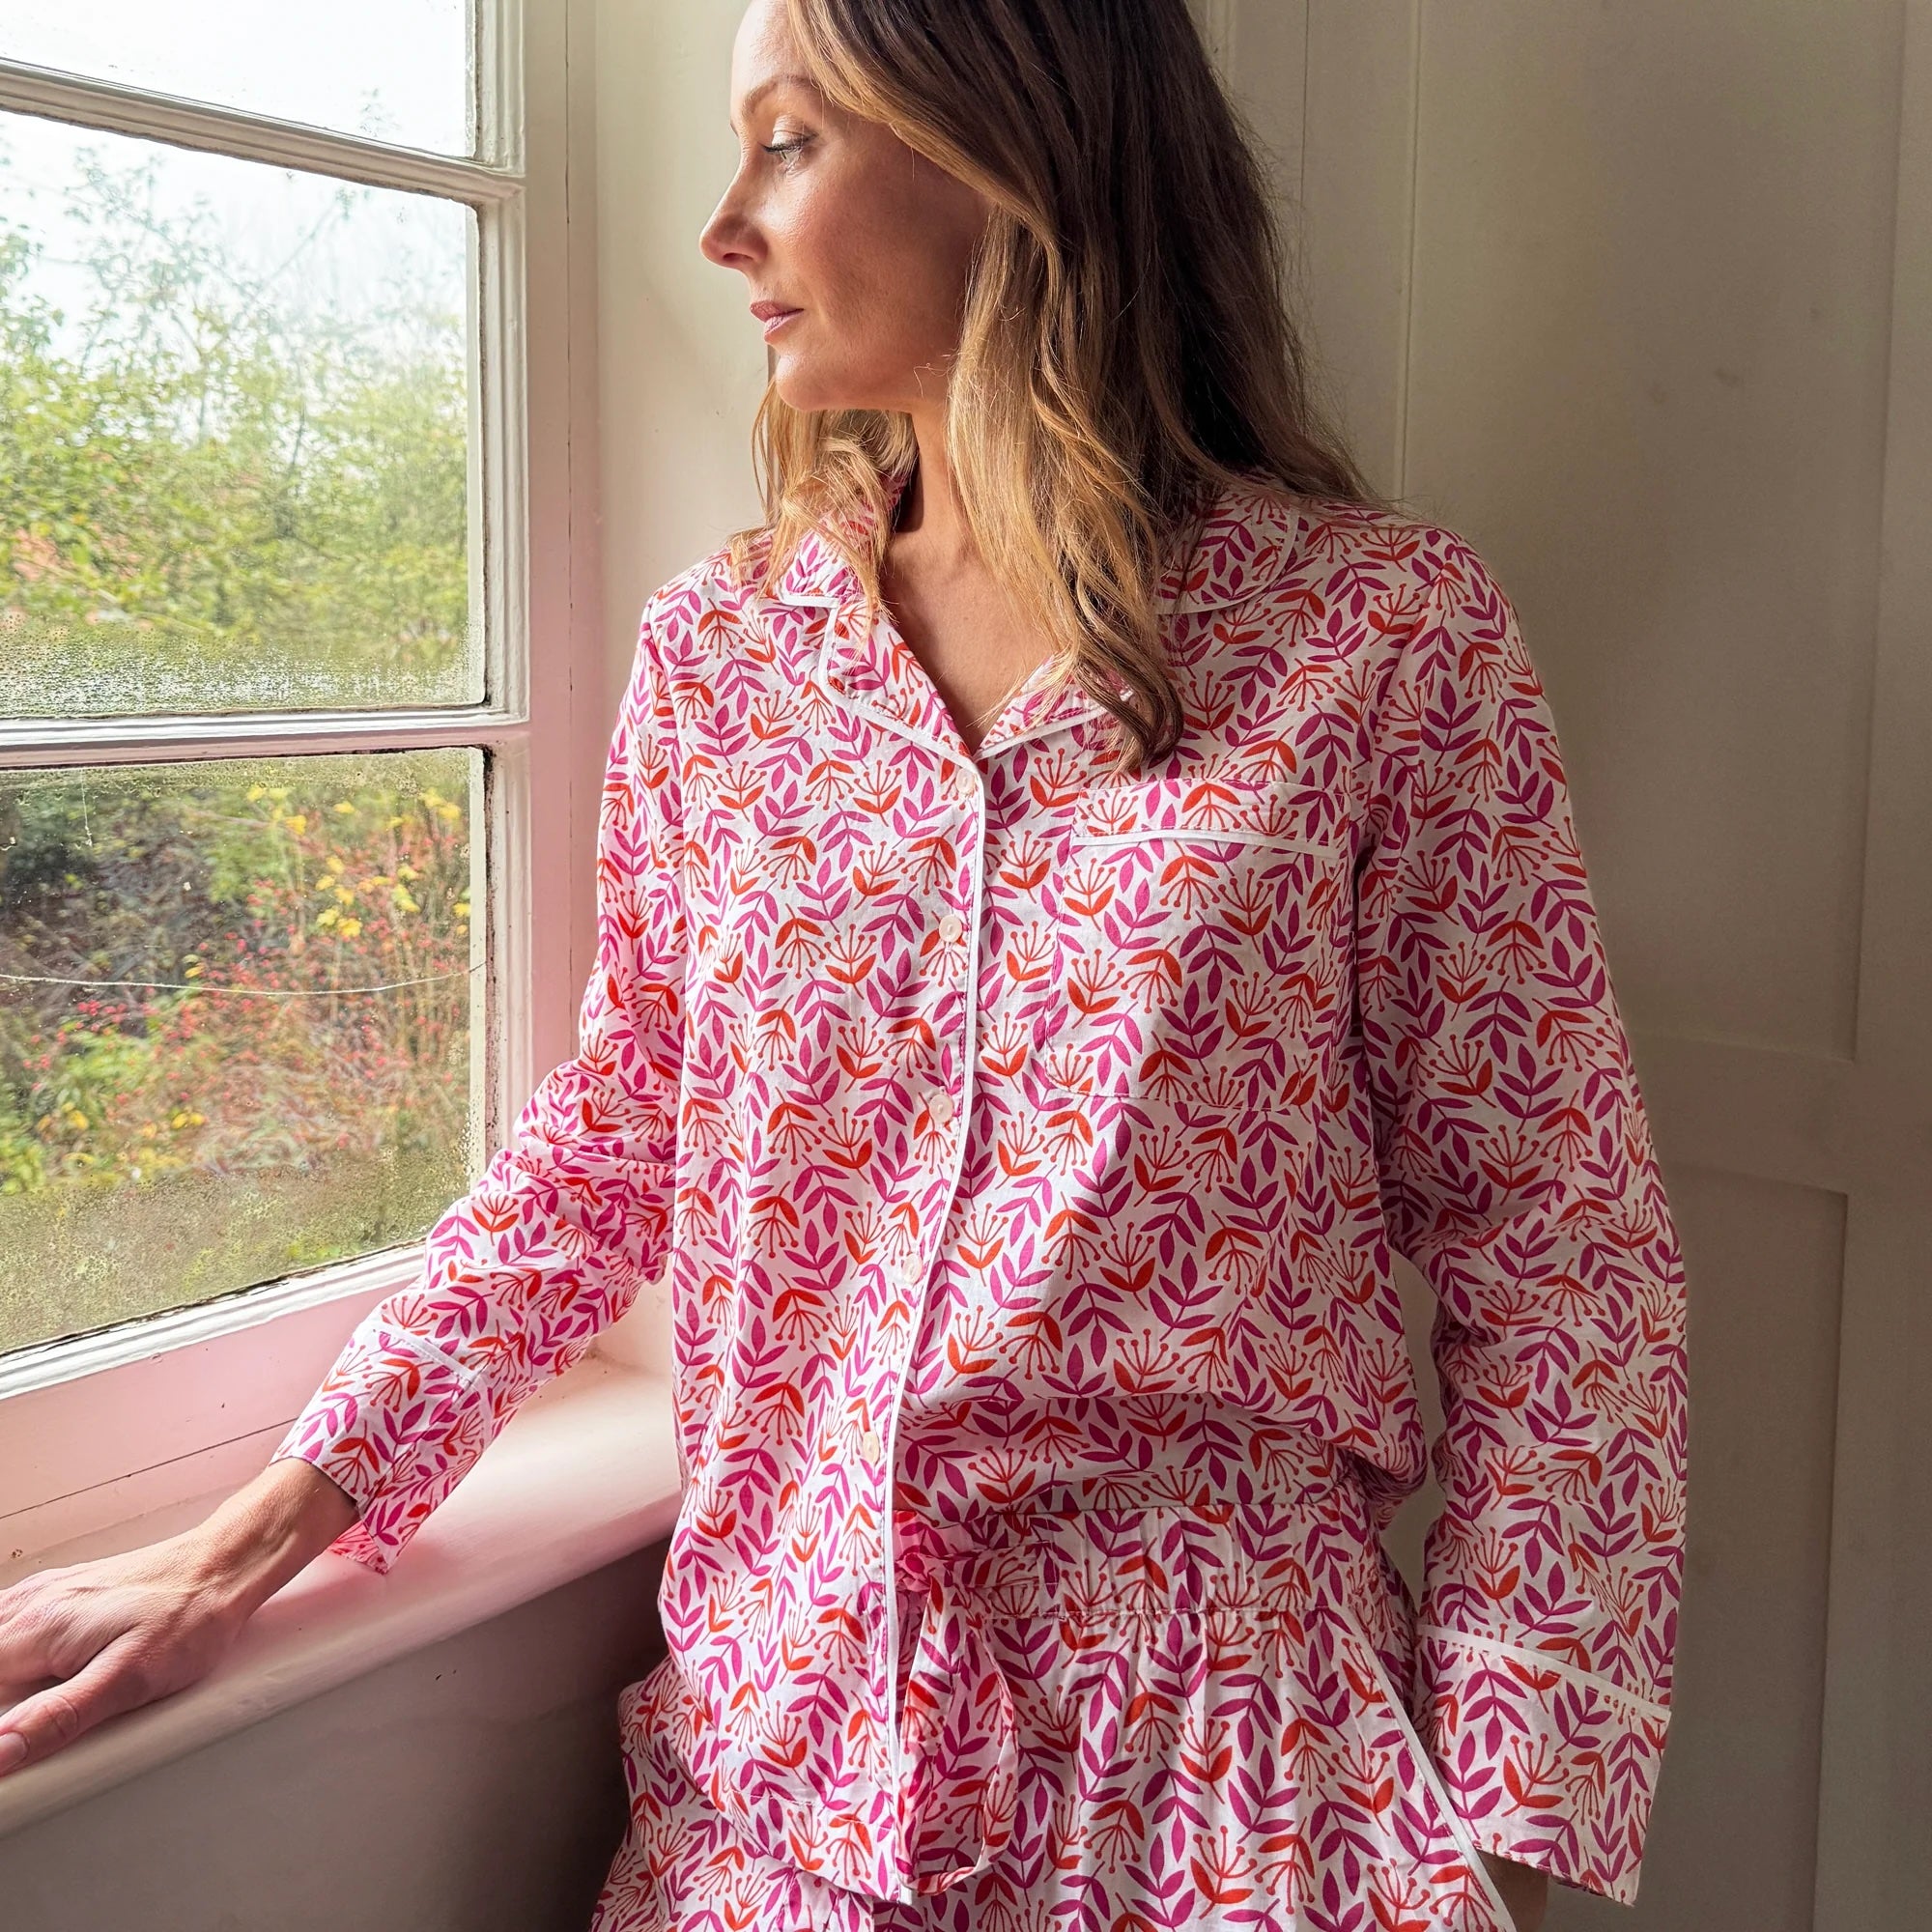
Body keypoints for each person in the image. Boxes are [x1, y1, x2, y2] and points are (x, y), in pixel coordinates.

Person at [0, 3, 1688, 1928]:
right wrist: (239, 1543)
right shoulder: (723, 661)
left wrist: (1501, 1813)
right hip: (786, 1764)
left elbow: (1555, 1235)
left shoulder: (1378, 641)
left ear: (1007, 152)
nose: (722, 225)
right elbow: (615, 1141)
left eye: (790, 141)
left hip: (1232, 1790)